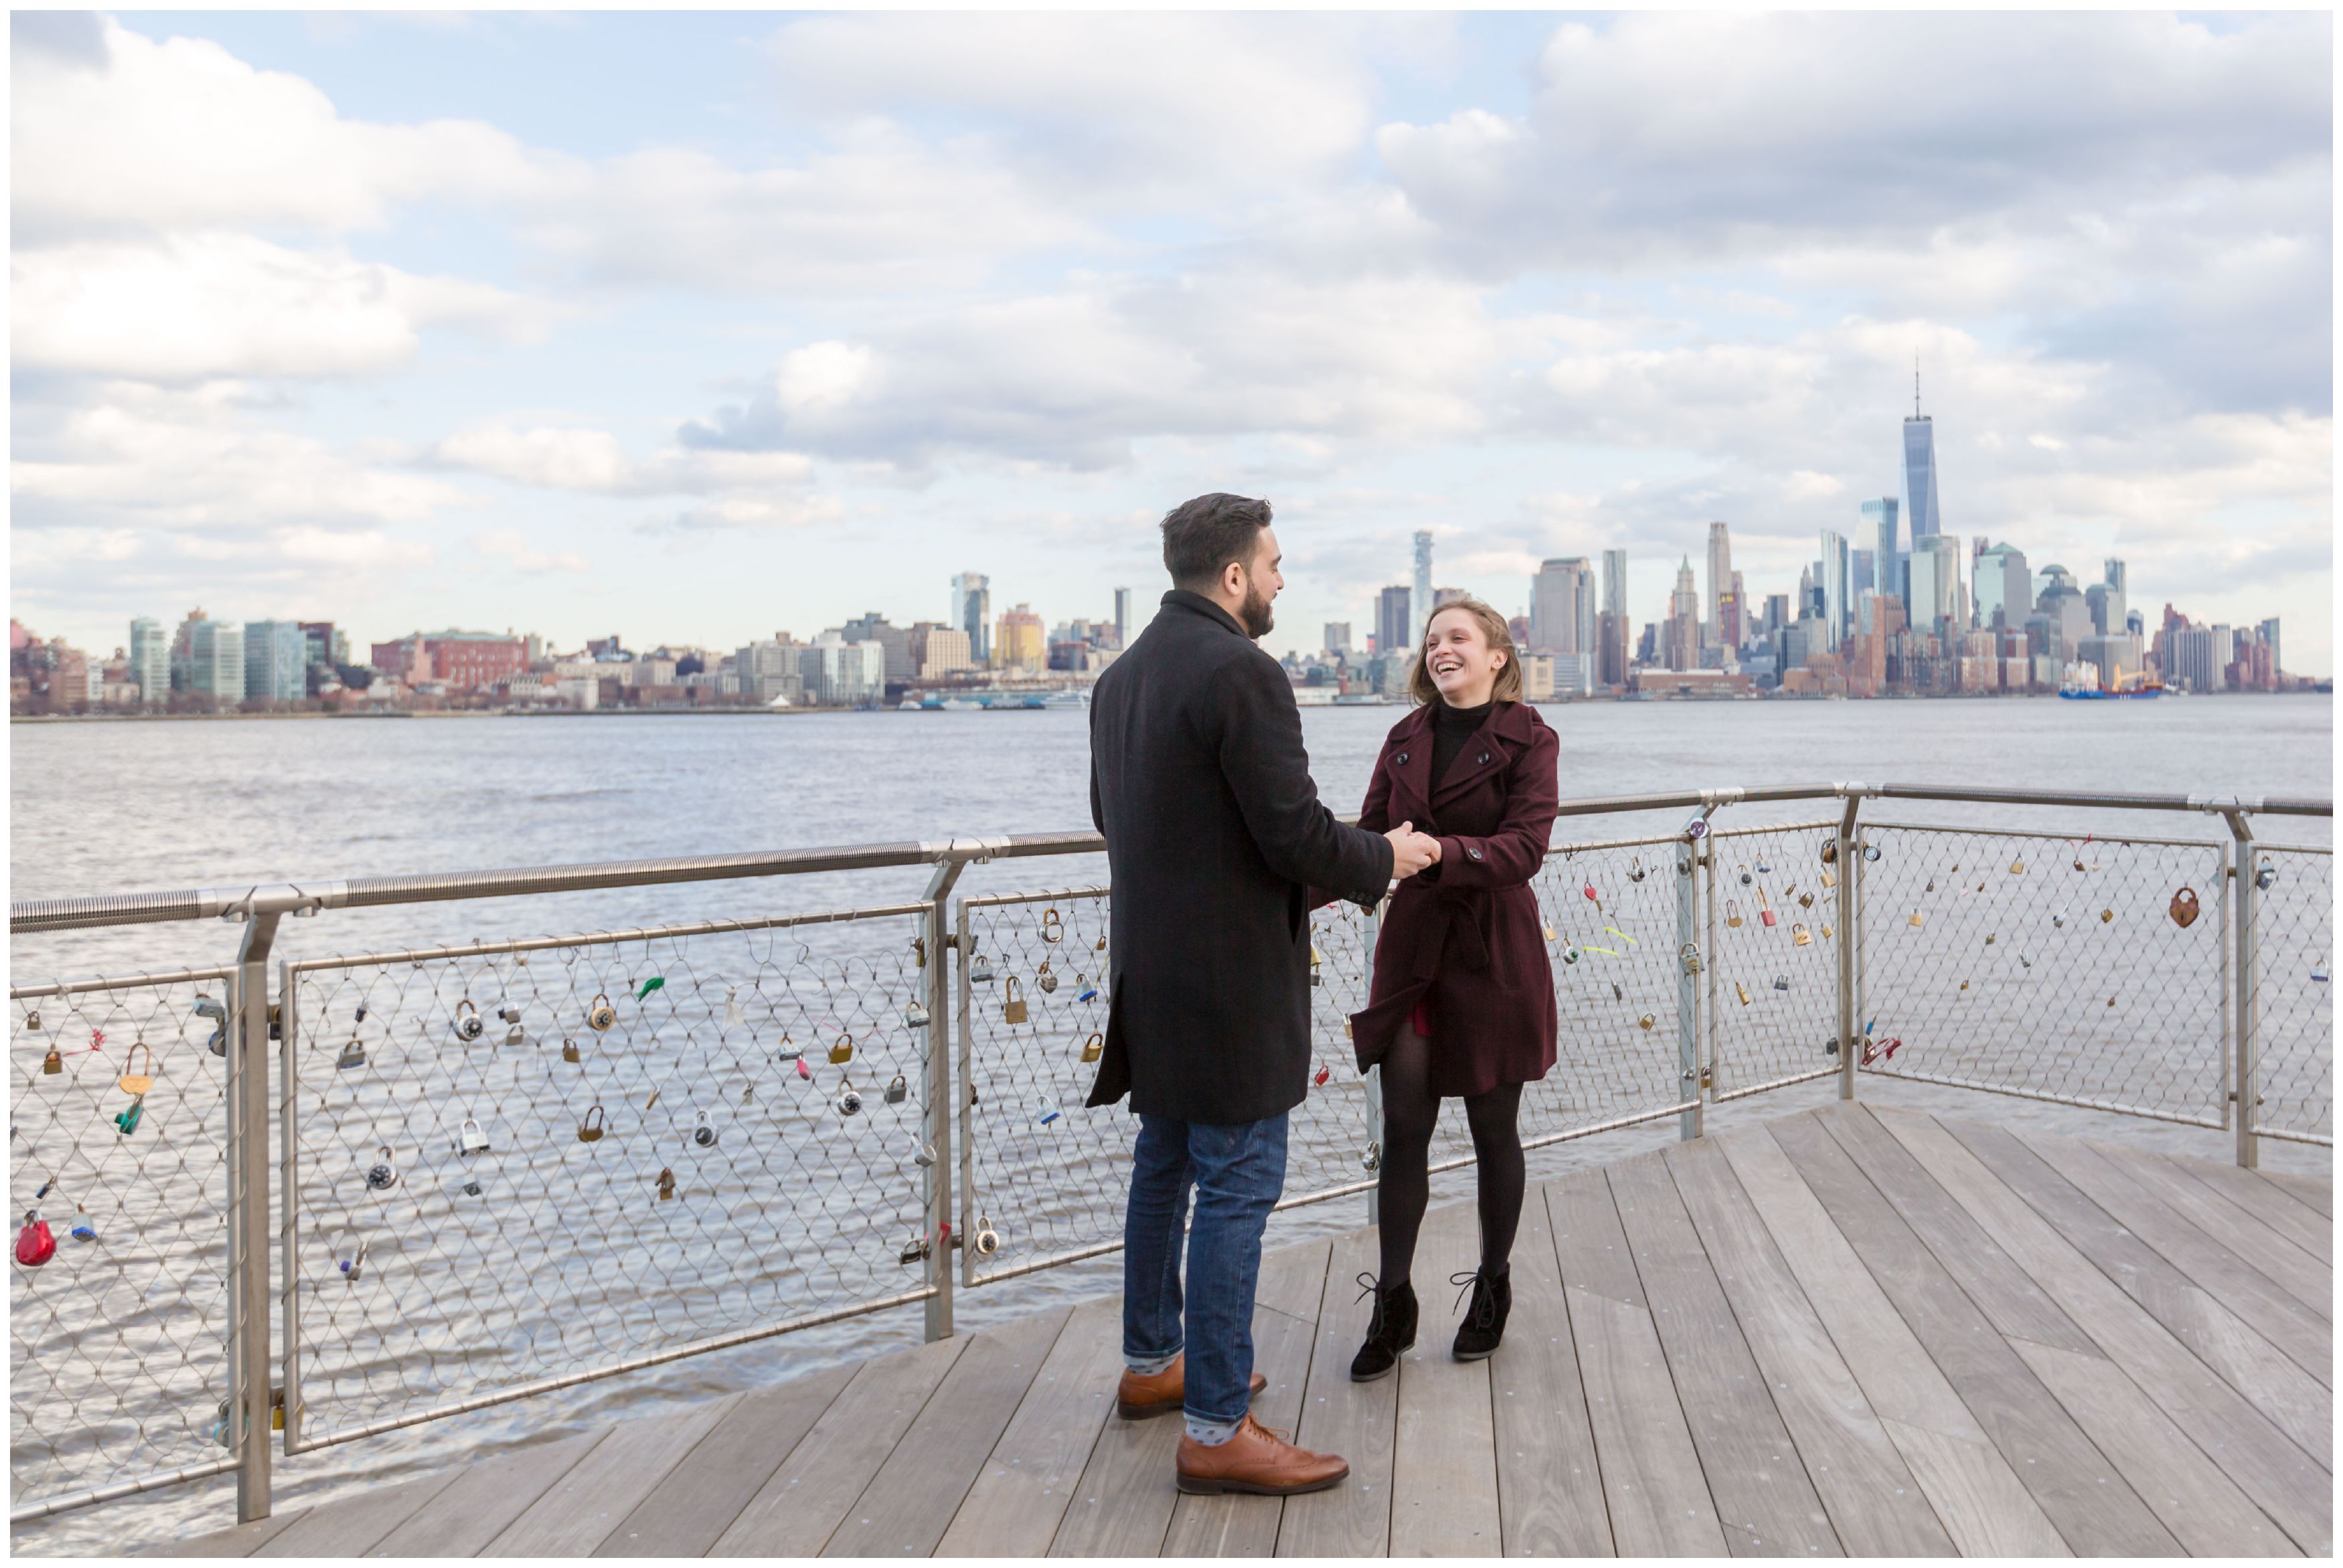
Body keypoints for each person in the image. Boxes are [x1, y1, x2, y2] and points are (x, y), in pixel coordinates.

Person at [1086, 493, 1440, 1496]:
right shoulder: (1244, 669)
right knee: (1238, 1183)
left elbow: (1113, 814)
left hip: (1150, 976)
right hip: (1233, 983)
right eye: (1275, 565)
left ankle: (1157, 1365)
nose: (1282, 580)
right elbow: (1293, 834)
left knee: (1164, 1167)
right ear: (1234, 575)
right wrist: (1391, 853)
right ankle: (1216, 1424)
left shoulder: (1119, 679)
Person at [1340, 598, 1560, 1377]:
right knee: (1403, 1133)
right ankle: (1392, 1300)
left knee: (1492, 1132)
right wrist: (1288, 891)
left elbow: (1524, 849)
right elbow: (1369, 840)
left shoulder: (1530, 737)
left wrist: (1437, 854)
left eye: (1457, 637)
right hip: (1413, 959)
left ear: (1496, 654)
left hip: (1491, 955)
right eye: (1432, 641)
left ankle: (1492, 1285)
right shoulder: (1402, 738)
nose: (1441, 649)